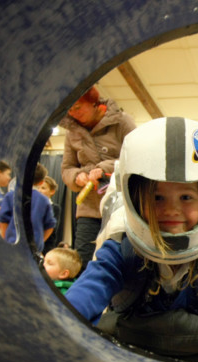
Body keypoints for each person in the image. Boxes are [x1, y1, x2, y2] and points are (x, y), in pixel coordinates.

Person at [65, 117, 198, 362]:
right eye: (157, 197)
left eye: (185, 196)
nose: (172, 210)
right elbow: (85, 295)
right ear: (136, 201)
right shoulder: (121, 250)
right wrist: (58, 337)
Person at [60, 85, 136, 270]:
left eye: (77, 107)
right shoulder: (72, 134)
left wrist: (104, 168)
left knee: (124, 260)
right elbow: (67, 168)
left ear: (94, 103)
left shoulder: (122, 122)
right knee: (83, 260)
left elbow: (136, 156)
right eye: (69, 110)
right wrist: (78, 177)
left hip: (121, 206)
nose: (73, 113)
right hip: (88, 208)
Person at [0, 163, 56, 254]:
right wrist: (40, 241)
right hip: (34, 247)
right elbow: (50, 226)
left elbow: (3, 220)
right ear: (41, 182)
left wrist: (6, 239)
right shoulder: (44, 200)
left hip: (12, 243)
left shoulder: (10, 196)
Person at [38, 175, 62, 254]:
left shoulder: (55, 208)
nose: (39, 190)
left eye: (43, 188)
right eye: (38, 188)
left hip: (46, 246)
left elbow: (52, 229)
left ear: (52, 191)